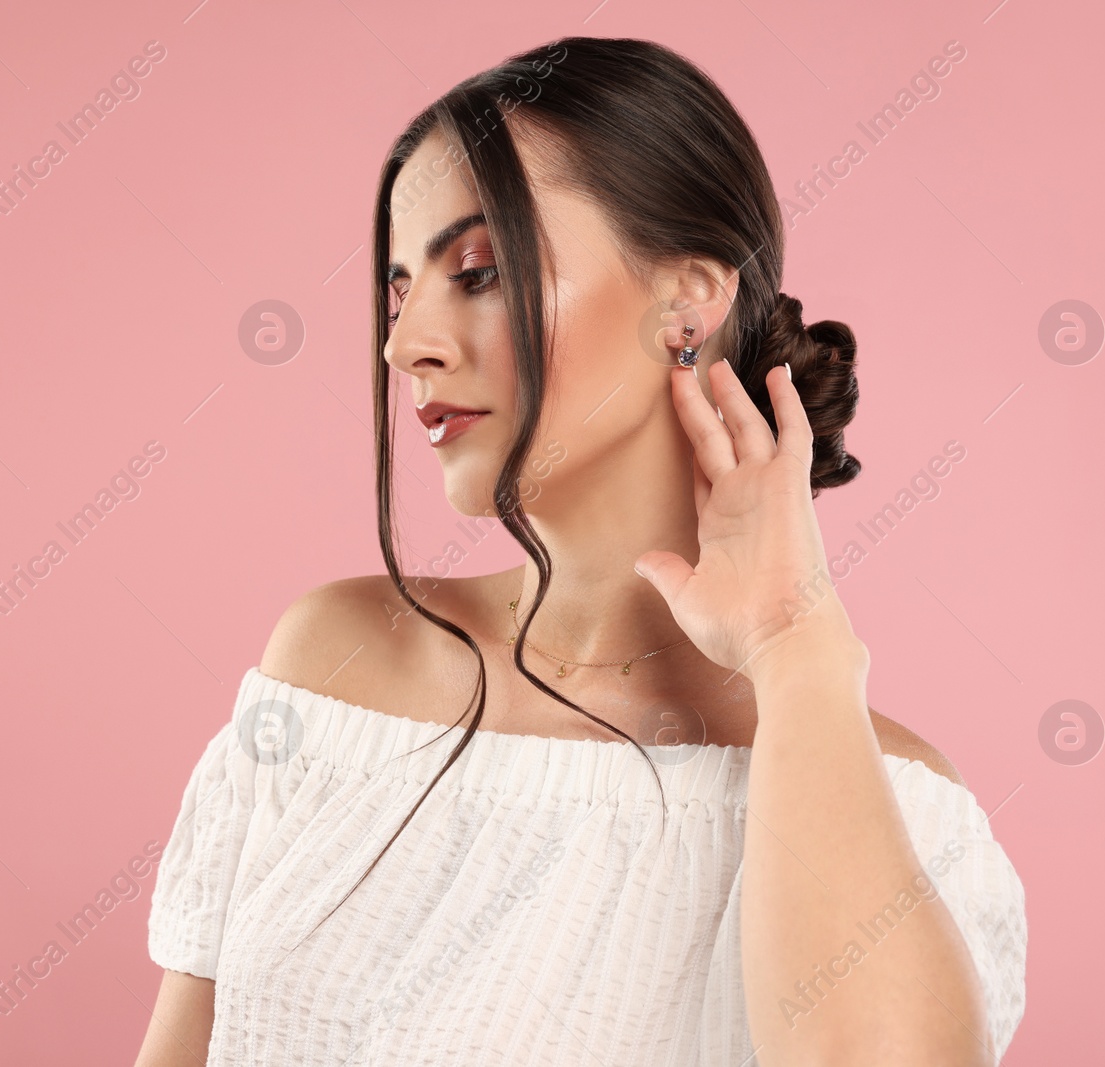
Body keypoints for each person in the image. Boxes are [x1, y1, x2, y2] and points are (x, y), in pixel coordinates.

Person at [134, 35, 1026, 1067]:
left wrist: (798, 646)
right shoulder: (335, 670)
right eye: (396, 288)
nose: (403, 342)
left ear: (685, 303)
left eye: (477, 271)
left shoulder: (890, 795)